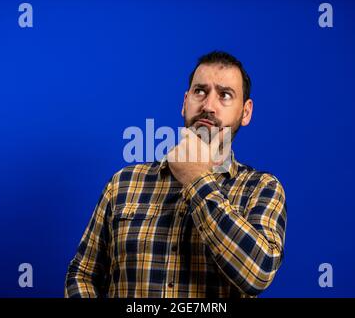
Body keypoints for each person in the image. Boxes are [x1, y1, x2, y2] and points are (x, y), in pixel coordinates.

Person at [65, 51, 287, 298]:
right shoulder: (123, 184)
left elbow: (258, 274)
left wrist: (197, 179)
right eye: (200, 91)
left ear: (245, 112)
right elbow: (82, 274)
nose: (208, 106)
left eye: (225, 95)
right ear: (184, 102)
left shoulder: (262, 189)